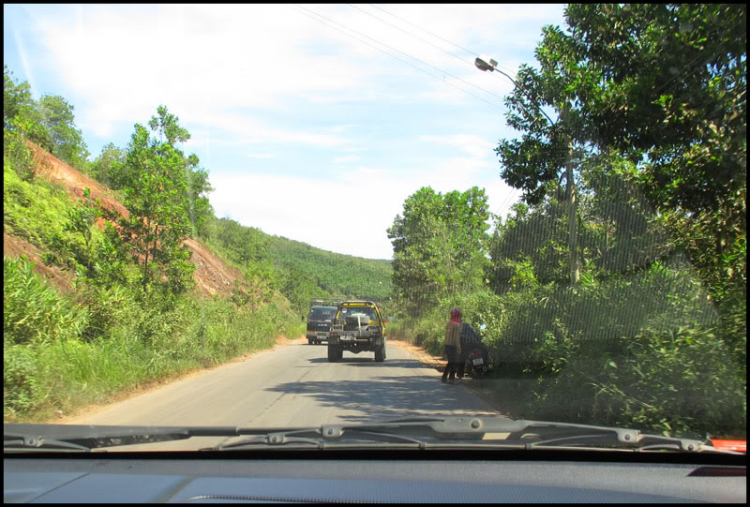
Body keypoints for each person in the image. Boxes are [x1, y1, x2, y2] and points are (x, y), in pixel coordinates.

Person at [442, 307, 462, 384]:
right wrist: (459, 347)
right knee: (454, 362)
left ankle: (445, 377)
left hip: (447, 345)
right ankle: (451, 378)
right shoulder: (457, 325)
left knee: (451, 362)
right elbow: (457, 338)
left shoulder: (448, 324)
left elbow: (446, 336)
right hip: (453, 346)